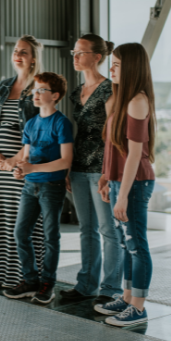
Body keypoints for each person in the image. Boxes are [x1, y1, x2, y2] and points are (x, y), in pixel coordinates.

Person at [93, 43, 157, 326]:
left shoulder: (137, 101)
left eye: (116, 64)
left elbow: (134, 154)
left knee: (136, 245)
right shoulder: (123, 100)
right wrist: (107, 177)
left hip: (136, 183)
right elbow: (114, 147)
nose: (111, 69)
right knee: (126, 242)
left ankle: (139, 308)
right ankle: (128, 297)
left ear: (130, 67)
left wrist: (123, 196)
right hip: (121, 181)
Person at [58, 35, 123, 305]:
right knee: (86, 228)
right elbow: (75, 133)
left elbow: (113, 134)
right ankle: (85, 285)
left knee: (109, 229)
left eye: (80, 52)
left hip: (101, 168)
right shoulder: (76, 92)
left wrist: (108, 173)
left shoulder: (109, 90)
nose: (75, 56)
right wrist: (67, 168)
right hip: (79, 167)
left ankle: (110, 289)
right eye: (74, 51)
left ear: (97, 56)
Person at [3, 72, 73, 304]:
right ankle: (31, 281)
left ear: (55, 96)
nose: (35, 93)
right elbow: (25, 156)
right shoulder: (31, 123)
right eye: (35, 89)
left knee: (50, 236)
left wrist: (32, 168)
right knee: (20, 233)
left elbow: (65, 161)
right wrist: (20, 169)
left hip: (51, 187)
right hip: (30, 187)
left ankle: (47, 284)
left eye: (41, 90)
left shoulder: (61, 123)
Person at [0, 35, 45, 288]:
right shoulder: (2, 87)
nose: (18, 54)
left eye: (24, 52)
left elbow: (40, 129)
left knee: (22, 223)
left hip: (23, 166)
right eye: (16, 50)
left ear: (33, 60)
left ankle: (23, 278)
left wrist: (16, 160)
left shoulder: (39, 88)